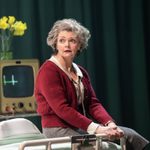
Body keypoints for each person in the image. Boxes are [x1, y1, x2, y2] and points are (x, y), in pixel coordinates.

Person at [34, 18, 149, 150]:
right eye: (62, 40)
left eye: (72, 41)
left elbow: (93, 104)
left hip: (79, 127)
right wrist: (97, 129)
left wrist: (110, 124)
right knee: (98, 146)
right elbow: (62, 109)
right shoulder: (48, 71)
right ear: (55, 44)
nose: (67, 45)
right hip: (57, 130)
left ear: (79, 45)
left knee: (130, 136)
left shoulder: (80, 71)